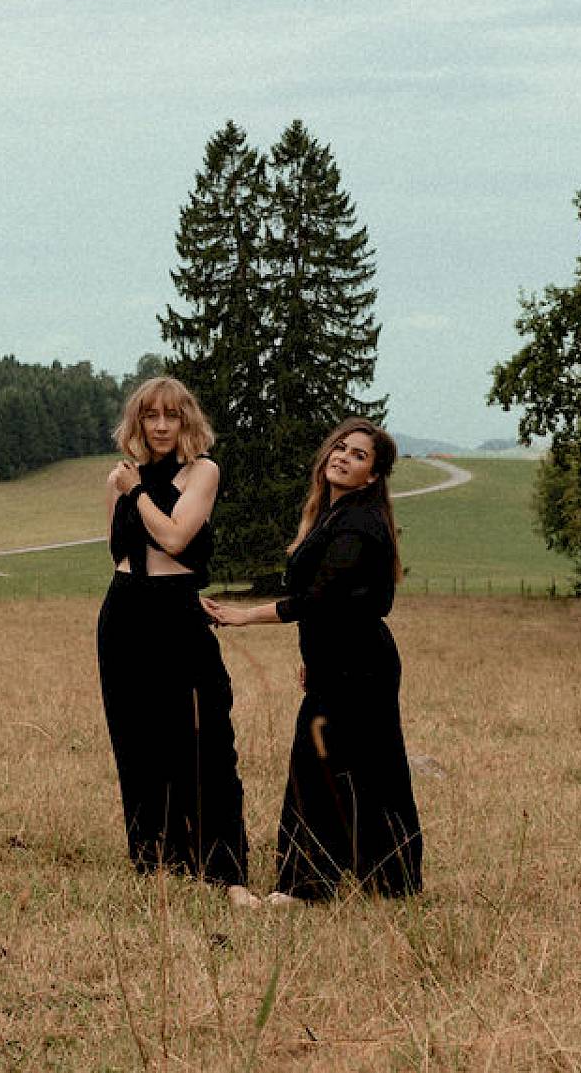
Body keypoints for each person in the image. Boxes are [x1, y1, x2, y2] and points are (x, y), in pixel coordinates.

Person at [205, 417, 422, 903]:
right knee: (360, 767)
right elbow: (339, 607)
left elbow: (322, 599)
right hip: (342, 661)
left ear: (372, 476)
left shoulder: (357, 525)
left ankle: (307, 887)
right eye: (340, 447)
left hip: (359, 667)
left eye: (359, 455)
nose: (343, 457)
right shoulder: (334, 515)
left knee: (323, 766)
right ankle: (388, 880)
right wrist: (315, 656)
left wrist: (244, 616)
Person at [96, 376, 256, 906]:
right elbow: (117, 548)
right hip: (124, 610)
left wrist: (136, 493)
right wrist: (128, 488)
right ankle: (156, 858)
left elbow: (174, 536)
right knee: (135, 736)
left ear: (187, 420)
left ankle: (222, 866)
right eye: (150, 416)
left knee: (202, 733)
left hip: (175, 610)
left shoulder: (201, 471)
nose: (161, 426)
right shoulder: (122, 475)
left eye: (171, 415)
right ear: (137, 422)